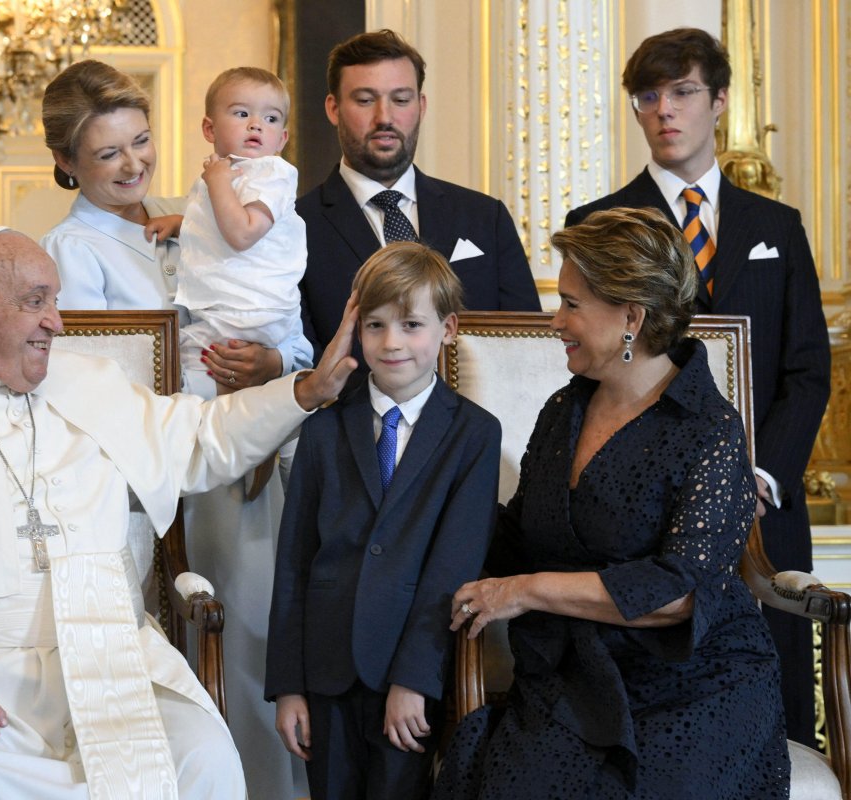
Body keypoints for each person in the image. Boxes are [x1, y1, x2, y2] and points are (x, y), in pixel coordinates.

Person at [0, 226, 358, 799]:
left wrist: (305, 391)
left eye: (54, 300)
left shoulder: (91, 382)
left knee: (202, 757)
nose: (57, 320)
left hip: (114, 659)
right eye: (35, 302)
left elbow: (201, 438)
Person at [432, 207, 789, 799]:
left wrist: (521, 591)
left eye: (573, 303)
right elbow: (517, 539)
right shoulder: (562, 412)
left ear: (631, 315)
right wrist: (440, 475)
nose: (556, 321)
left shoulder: (709, 430)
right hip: (568, 677)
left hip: (693, 686)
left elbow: (678, 593)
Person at [40, 60, 312, 799]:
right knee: (211, 653)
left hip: (247, 458)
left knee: (264, 645)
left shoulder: (198, 212)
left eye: (141, 140)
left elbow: (271, 319)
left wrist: (272, 361)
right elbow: (97, 388)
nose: (133, 164)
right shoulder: (73, 252)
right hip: (167, 483)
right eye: (107, 153)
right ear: (66, 163)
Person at [565, 27, 831, 747]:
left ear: (718, 101)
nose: (664, 111)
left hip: (762, 505)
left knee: (777, 704)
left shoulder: (779, 226)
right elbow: (590, 374)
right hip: (645, 508)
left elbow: (808, 368)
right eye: (647, 97)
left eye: (682, 92)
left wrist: (760, 474)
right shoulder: (595, 225)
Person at [265, 242, 500, 800]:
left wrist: (414, 680)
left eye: (411, 324)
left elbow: (453, 568)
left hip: (408, 669)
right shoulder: (322, 430)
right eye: (375, 325)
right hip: (325, 672)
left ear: (447, 329)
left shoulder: (474, 435)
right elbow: (294, 561)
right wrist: (289, 687)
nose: (392, 342)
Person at [298, 28, 540, 361]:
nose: (384, 117)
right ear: (333, 108)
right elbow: (300, 362)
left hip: (476, 411)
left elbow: (528, 346)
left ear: (421, 106)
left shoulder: (486, 217)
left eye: (400, 99)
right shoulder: (295, 227)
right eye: (365, 100)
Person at [144, 66, 306, 399]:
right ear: (209, 127)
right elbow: (215, 223)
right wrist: (181, 222)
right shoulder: (230, 172)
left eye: (271, 119)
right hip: (236, 308)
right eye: (242, 113)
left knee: (182, 367)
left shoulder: (273, 174)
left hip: (251, 309)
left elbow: (243, 232)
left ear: (283, 140)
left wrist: (217, 183)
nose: (256, 124)